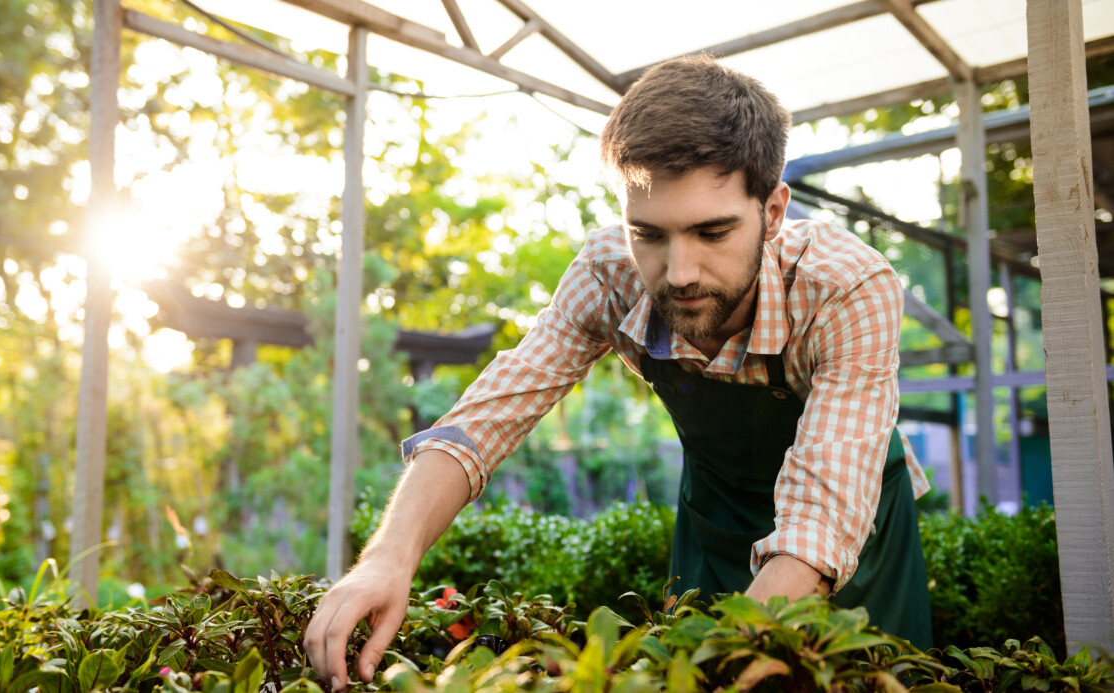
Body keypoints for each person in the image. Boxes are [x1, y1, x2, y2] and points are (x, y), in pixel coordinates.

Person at [304, 55, 933, 689]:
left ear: (773, 211)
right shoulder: (608, 272)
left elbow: (822, 516)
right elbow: (487, 417)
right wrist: (385, 559)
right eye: (649, 234)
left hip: (855, 533)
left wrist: (720, 658)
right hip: (715, 519)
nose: (679, 272)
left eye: (712, 232)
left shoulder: (846, 287)